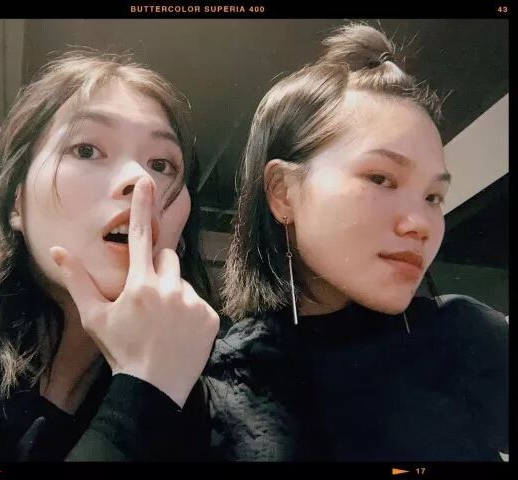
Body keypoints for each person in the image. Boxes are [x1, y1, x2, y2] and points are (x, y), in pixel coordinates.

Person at [0, 51, 219, 462]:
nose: (140, 181)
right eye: (86, 150)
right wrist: (141, 396)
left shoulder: (191, 405)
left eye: (161, 164)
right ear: (15, 201)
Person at [205, 23, 508, 461]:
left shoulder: (466, 337)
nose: (421, 224)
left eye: (433, 197)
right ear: (283, 192)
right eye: (381, 178)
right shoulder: (216, 382)